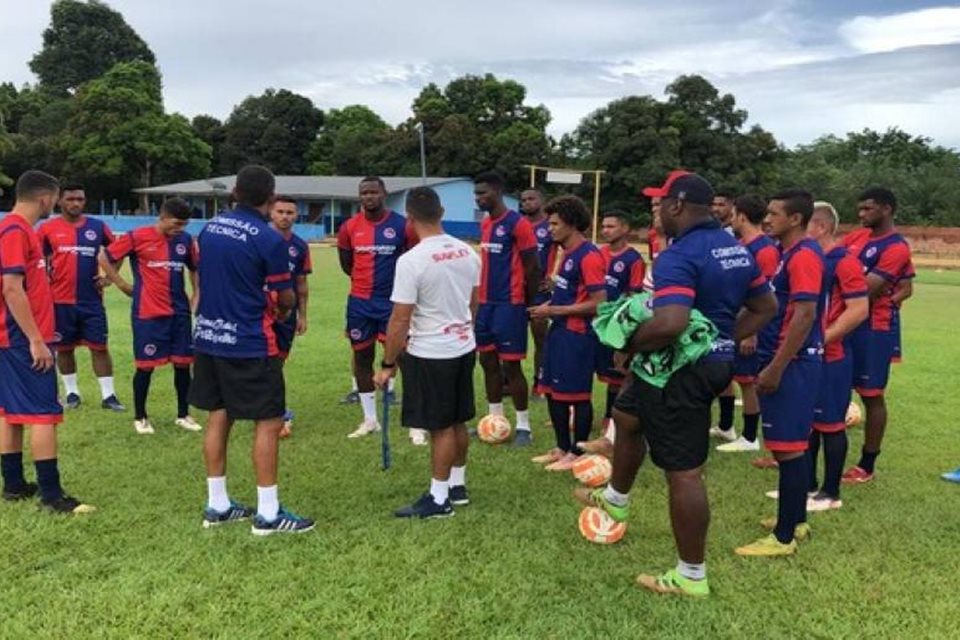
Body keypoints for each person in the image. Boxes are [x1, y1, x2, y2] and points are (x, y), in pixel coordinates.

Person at [576, 171, 776, 597]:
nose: (657, 211)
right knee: (627, 414)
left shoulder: (678, 254)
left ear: (679, 205)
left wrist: (628, 343)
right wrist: (722, 340)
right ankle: (616, 496)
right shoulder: (734, 248)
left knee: (684, 473)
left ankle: (691, 575)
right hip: (689, 366)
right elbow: (765, 306)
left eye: (661, 202)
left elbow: (670, 322)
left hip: (680, 373)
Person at [190, 165, 314, 535]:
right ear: (270, 197)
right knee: (269, 421)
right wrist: (283, 308)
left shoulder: (209, 228)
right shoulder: (269, 238)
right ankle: (269, 513)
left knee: (219, 414)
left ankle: (218, 504)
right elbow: (285, 295)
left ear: (235, 191)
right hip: (249, 341)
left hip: (209, 337)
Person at [373, 187, 481, 518]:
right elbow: (473, 303)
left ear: (409, 218)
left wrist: (388, 363)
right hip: (463, 346)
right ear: (442, 212)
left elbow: (399, 319)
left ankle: (438, 499)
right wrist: (463, 330)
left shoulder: (412, 261)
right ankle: (456, 486)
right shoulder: (468, 252)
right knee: (458, 418)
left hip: (431, 353)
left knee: (440, 426)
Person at [736, 189, 825, 557]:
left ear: (795, 220)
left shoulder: (803, 256)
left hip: (795, 362)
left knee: (788, 451)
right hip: (794, 360)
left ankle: (783, 538)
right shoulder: (790, 254)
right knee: (795, 446)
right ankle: (797, 519)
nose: (767, 219)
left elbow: (804, 315)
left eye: (774, 214)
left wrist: (776, 366)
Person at [0, 170, 94, 514]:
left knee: (10, 412)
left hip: (13, 338)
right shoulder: (14, 229)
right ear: (45, 198)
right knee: (43, 414)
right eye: (55, 199)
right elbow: (11, 288)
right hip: (21, 338)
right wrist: (36, 340)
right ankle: (52, 496)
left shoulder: (18, 229)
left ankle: (13, 485)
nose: (54, 205)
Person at [100, 198, 202, 435]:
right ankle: (140, 417)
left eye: (185, 224)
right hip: (148, 312)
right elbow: (104, 257)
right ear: (163, 217)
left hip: (179, 312)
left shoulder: (185, 241)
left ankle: (183, 414)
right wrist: (122, 284)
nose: (181, 229)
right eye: (177, 223)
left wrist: (196, 294)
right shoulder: (137, 236)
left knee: (183, 364)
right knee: (145, 366)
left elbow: (194, 268)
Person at [337, 177, 421, 443]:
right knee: (362, 358)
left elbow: (413, 259)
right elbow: (346, 264)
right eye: (364, 193)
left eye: (374, 192)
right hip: (360, 304)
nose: (369, 197)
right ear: (359, 196)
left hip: (393, 304)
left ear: (384, 194)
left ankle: (416, 422)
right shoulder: (349, 227)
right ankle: (370, 419)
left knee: (406, 360)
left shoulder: (402, 225)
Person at [840, 187, 914, 484]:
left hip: (873, 329)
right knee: (832, 386)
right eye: (860, 209)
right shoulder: (857, 237)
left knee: (871, 396)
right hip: (845, 320)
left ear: (886, 209)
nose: (861, 215)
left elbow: (863, 288)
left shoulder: (896, 247)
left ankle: (866, 465)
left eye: (868, 209)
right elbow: (833, 262)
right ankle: (801, 450)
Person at [530, 196, 606, 470]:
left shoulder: (589, 256)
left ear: (572, 224)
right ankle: (562, 447)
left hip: (577, 336)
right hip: (559, 332)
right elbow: (569, 295)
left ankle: (579, 451)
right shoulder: (567, 254)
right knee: (552, 391)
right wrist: (547, 306)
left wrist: (555, 312)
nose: (549, 229)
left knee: (576, 396)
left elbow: (599, 303)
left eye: (554, 223)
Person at [803, 201, 868, 511]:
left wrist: (821, 340)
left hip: (833, 355)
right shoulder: (813, 259)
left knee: (830, 424)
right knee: (810, 423)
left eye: (804, 225)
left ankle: (831, 493)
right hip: (811, 355)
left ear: (821, 227)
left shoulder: (845, 262)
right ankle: (809, 486)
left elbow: (858, 310)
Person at [37, 183, 124, 411]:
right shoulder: (47, 229)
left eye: (80, 199)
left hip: (91, 301)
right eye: (70, 199)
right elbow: (34, 258)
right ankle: (72, 394)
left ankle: (109, 396)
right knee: (64, 349)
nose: (76, 203)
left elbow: (119, 250)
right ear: (60, 201)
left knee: (100, 347)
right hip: (59, 301)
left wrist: (108, 277)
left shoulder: (97, 226)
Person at [474, 172, 541, 445]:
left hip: (510, 304)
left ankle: (524, 426)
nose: (479, 199)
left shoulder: (518, 224)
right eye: (476, 194)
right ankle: (495, 420)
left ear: (498, 192)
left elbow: (533, 267)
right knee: (487, 361)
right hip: (486, 304)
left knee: (511, 365)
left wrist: (527, 302)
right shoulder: (487, 223)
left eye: (483, 193)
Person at [716, 194, 781, 453]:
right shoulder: (742, 245)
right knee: (728, 374)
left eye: (732, 215)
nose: (730, 219)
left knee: (747, 380)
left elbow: (763, 296)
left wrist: (750, 332)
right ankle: (725, 425)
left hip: (754, 327)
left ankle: (751, 437)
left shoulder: (764, 250)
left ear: (741, 216)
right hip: (736, 322)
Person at [592, 211, 645, 444]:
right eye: (603, 226)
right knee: (585, 368)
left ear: (624, 229)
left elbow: (634, 297)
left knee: (615, 375)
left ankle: (608, 419)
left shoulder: (634, 260)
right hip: (591, 322)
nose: (605, 230)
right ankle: (572, 412)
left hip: (614, 327)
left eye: (611, 226)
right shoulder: (598, 253)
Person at [269, 196, 311, 438]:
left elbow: (302, 283)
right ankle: (277, 412)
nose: (285, 216)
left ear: (296, 216)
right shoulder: (259, 240)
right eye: (280, 211)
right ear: (271, 213)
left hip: (287, 314)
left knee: (278, 363)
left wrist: (302, 315)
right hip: (260, 313)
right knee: (260, 362)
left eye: (290, 212)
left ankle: (276, 410)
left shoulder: (299, 246)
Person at [520, 188, 556, 403]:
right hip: (517, 290)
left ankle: (539, 384)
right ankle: (508, 382)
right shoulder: (518, 225)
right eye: (523, 200)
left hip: (540, 292)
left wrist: (555, 277)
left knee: (541, 339)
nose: (526, 203)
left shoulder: (550, 226)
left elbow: (568, 250)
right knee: (511, 339)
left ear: (542, 201)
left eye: (531, 198)